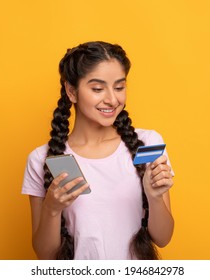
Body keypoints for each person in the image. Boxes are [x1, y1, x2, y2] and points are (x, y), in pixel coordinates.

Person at [21, 41, 175, 260]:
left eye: (120, 87)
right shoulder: (41, 159)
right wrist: (52, 209)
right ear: (71, 91)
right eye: (97, 89)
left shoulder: (147, 143)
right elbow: (45, 255)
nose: (112, 99)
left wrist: (154, 197)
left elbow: (163, 238)